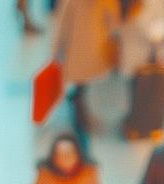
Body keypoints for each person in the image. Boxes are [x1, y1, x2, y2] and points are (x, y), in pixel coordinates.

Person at [52, 0, 121, 134]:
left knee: (82, 84)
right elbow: (112, 21)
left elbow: (61, 25)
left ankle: (78, 112)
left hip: (80, 49)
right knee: (83, 84)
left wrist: (56, 51)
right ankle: (79, 114)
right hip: (92, 48)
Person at [119, 0, 164, 77]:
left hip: (134, 65)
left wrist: (161, 56)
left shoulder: (156, 4)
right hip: (120, 57)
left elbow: (158, 31)